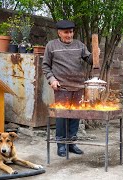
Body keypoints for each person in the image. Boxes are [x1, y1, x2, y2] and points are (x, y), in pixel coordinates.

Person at [42, 20, 93, 157]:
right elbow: (45, 66)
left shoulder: (80, 45)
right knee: (62, 116)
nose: (69, 35)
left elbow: (91, 61)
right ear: (59, 33)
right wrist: (52, 80)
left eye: (71, 32)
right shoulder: (51, 46)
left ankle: (71, 144)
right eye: (66, 32)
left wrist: (96, 54)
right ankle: (61, 145)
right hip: (61, 87)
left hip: (78, 86)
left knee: (75, 116)